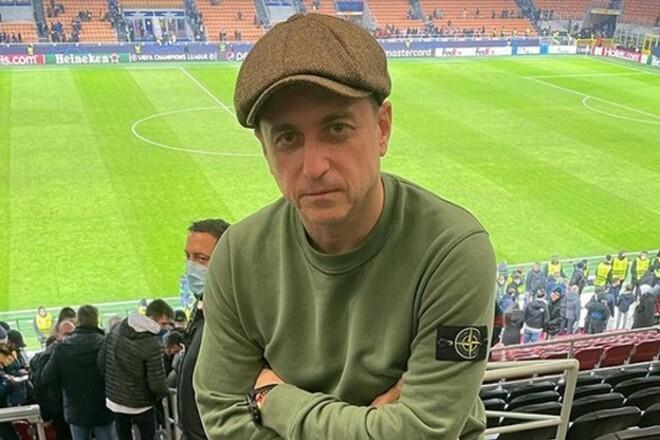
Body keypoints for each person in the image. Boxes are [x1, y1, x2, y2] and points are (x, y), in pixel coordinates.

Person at [194, 13, 496, 440]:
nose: (314, 166)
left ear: (382, 129)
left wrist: (274, 400)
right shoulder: (238, 255)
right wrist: (376, 426)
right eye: (287, 138)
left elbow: (424, 431)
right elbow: (223, 418)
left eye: (337, 128)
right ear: (264, 148)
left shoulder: (452, 250)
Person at [176, 218, 229, 440]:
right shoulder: (202, 310)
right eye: (188, 256)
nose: (191, 267)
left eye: (201, 258)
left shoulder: (241, 320)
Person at [98, 299, 173, 440]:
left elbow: (101, 361)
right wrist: (164, 393)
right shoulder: (152, 345)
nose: (166, 328)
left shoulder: (117, 329)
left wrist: (112, 386)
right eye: (164, 323)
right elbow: (157, 383)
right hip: (141, 405)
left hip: (115, 402)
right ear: (152, 318)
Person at [42, 305, 114, 440]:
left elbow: (47, 377)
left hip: (76, 410)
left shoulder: (62, 347)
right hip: (103, 409)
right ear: (97, 320)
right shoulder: (107, 343)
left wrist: (64, 391)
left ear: (77, 321)